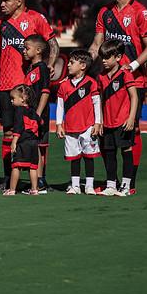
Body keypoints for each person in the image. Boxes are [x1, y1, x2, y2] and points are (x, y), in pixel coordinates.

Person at [88, 0, 147, 193]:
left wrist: (132, 65)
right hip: (106, 80)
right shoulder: (104, 13)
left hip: (133, 80)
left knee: (131, 129)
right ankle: (111, 183)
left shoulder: (140, 12)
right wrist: (85, 64)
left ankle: (130, 182)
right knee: (106, 130)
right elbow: (97, 44)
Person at [0, 0, 57, 188]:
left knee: (34, 133)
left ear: (19, 1)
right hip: (5, 87)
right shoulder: (1, 23)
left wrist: (51, 65)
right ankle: (9, 177)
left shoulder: (36, 18)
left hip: (26, 88)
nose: (1, 4)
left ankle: (40, 178)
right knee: (8, 133)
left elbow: (53, 44)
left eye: (6, 0)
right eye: (1, 0)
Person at [55, 50, 101, 195]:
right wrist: (58, 124)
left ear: (82, 66)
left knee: (89, 157)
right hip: (70, 128)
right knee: (74, 158)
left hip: (88, 126)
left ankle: (89, 185)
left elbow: (96, 103)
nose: (68, 65)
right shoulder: (64, 86)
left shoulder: (91, 83)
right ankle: (75, 185)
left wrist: (97, 123)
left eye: (71, 62)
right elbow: (60, 105)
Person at [97, 40, 139, 197]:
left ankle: (126, 186)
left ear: (118, 57)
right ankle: (111, 185)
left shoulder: (125, 74)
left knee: (126, 152)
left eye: (107, 57)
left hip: (123, 122)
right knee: (109, 154)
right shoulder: (101, 77)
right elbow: (100, 99)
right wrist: (100, 120)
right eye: (102, 57)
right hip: (107, 122)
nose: (104, 60)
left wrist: (131, 118)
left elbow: (134, 96)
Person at [22, 35, 51, 192]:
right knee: (33, 146)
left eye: (27, 48)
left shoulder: (42, 68)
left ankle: (40, 181)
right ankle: (37, 179)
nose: (24, 51)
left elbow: (46, 92)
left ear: (38, 50)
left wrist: (38, 114)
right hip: (30, 115)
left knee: (39, 147)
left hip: (38, 116)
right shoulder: (30, 68)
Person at [4, 85, 42, 196]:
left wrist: (14, 141)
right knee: (33, 167)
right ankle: (34, 189)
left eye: (13, 98)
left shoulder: (19, 110)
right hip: (34, 143)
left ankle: (12, 189)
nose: (11, 101)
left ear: (23, 98)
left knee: (16, 166)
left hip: (23, 142)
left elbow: (18, 126)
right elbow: (41, 122)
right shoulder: (33, 112)